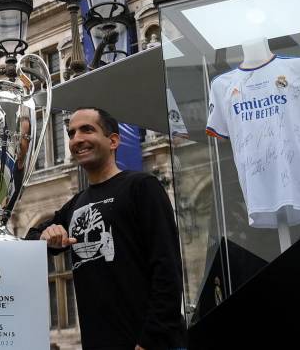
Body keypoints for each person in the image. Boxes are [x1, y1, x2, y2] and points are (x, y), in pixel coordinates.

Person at [26, 107, 186, 350]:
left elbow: (168, 269)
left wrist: (149, 340)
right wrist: (46, 236)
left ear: (113, 141)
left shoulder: (142, 187)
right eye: (71, 133)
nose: (76, 139)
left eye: (87, 129)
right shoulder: (74, 205)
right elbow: (29, 243)